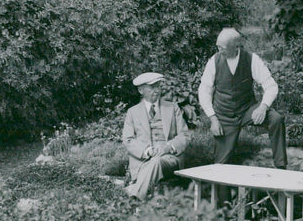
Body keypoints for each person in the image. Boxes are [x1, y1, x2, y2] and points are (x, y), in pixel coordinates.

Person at [198, 28, 287, 201]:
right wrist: (213, 119)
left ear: (236, 46)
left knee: (275, 119)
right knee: (220, 165)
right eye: (218, 46)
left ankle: (281, 167)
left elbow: (271, 85)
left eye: (222, 47)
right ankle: (223, 209)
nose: (219, 50)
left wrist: (262, 107)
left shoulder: (251, 59)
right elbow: (204, 90)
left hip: (247, 109)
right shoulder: (214, 61)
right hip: (223, 114)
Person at [123, 72, 191, 200]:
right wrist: (147, 151)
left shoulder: (172, 107)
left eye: (158, 86)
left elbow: (185, 135)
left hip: (168, 158)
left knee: (156, 161)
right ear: (140, 90)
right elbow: (128, 140)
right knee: (153, 161)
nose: (157, 90)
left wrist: (168, 147)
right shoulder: (132, 112)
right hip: (143, 160)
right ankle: (139, 197)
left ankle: (135, 198)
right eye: (152, 87)